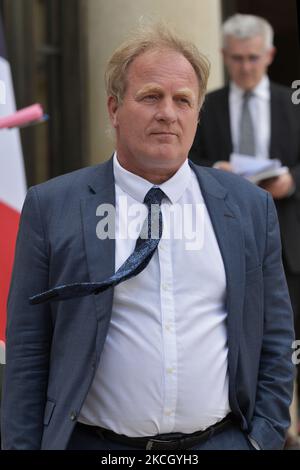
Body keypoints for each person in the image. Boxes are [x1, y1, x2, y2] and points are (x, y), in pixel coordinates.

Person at [1, 23, 294, 450]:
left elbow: (274, 335)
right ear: (114, 108)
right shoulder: (52, 207)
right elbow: (27, 349)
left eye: (183, 100)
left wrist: (262, 437)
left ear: (197, 114)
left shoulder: (249, 207)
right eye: (150, 96)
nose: (168, 113)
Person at [189, 13, 300, 447]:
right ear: (223, 57)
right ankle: (242, 414)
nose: (246, 67)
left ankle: (282, 424)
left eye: (253, 58)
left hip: (287, 237)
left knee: (284, 335)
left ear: (269, 55)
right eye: (236, 59)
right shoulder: (204, 105)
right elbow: (187, 162)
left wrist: (292, 179)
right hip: (224, 235)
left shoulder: (291, 102)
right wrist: (217, 171)